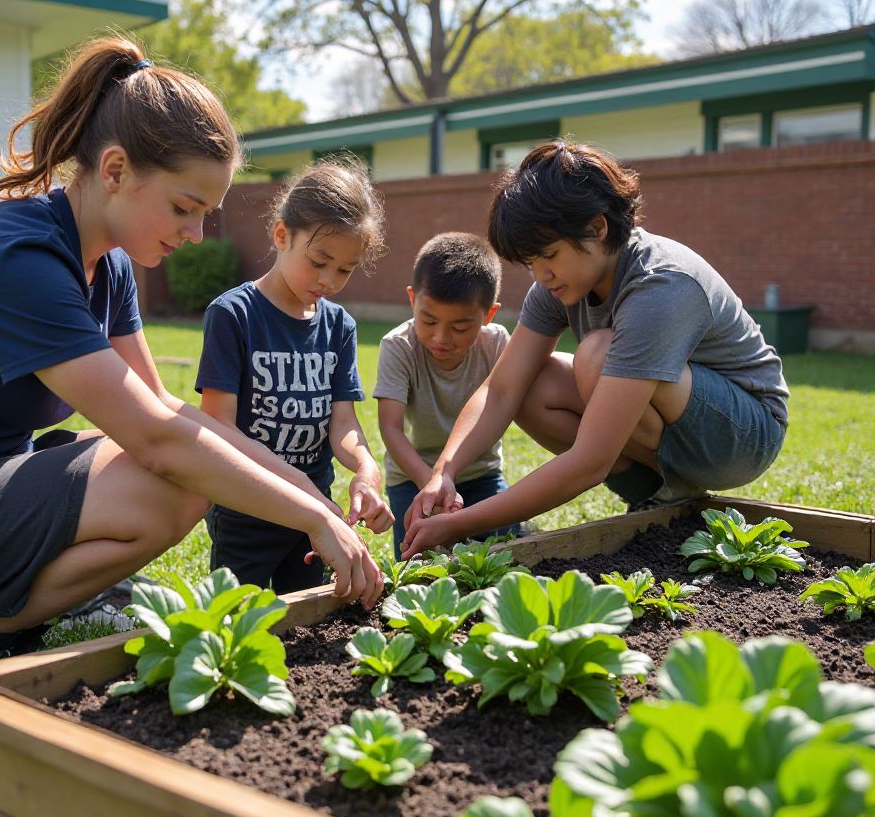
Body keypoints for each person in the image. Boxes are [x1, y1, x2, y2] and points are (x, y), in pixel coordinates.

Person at [0, 37, 382, 696]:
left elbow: (170, 412)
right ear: (114, 170)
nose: (194, 234)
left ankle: (33, 599)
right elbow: (161, 443)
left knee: (178, 460)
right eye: (184, 208)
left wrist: (313, 501)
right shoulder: (17, 261)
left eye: (206, 215)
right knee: (173, 479)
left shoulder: (109, 264)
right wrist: (313, 520)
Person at [401, 139, 789, 558]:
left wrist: (464, 522)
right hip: (676, 428)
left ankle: (670, 490)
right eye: (531, 262)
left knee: (597, 356)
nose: (540, 274)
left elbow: (591, 461)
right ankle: (658, 497)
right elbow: (502, 390)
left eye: (549, 255)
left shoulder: (660, 284)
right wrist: (444, 471)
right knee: (534, 382)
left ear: (597, 227)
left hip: (744, 433)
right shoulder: (558, 281)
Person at [195, 159, 394, 592]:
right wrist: (296, 485)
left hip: (312, 511)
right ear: (282, 235)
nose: (330, 280)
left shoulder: (339, 326)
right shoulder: (233, 315)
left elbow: (342, 423)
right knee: (237, 619)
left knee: (307, 621)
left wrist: (365, 469)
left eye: (345, 269)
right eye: (320, 261)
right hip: (246, 507)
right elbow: (217, 428)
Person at [374, 232, 521, 559]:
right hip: (413, 479)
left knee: (507, 555)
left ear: (489, 314)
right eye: (427, 320)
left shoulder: (497, 343)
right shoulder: (398, 346)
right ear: (412, 299)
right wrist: (431, 485)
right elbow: (391, 428)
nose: (441, 337)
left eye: (459, 327)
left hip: (481, 475)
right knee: (419, 564)